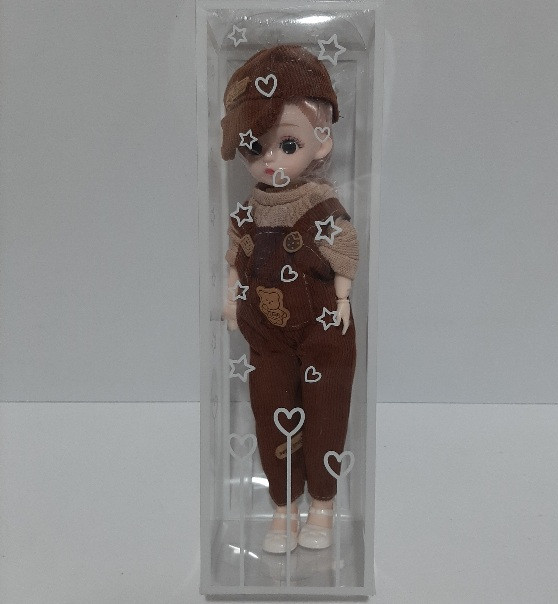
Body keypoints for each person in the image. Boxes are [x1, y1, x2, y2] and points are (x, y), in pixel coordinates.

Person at [221, 44, 358, 553]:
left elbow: (345, 251)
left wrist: (343, 298)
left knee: (326, 410)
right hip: (266, 332)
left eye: (288, 143)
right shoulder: (248, 212)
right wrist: (231, 300)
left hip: (323, 326)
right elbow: (235, 259)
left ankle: (322, 505)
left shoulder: (320, 204)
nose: (270, 159)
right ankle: (283, 508)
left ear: (322, 144)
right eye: (254, 147)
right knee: (270, 409)